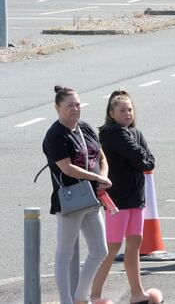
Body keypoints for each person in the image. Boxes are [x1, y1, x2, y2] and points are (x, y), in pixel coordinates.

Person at [43, 86, 110, 304]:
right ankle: (66, 300)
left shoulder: (85, 128)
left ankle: (81, 295)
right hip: (70, 198)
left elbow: (101, 157)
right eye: (69, 105)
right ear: (57, 108)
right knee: (64, 254)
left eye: (78, 104)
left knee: (100, 250)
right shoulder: (55, 135)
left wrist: (103, 177)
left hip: (91, 197)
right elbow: (67, 168)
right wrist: (97, 178)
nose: (75, 109)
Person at [91, 91, 156, 304]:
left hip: (136, 197)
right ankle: (94, 294)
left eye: (129, 109)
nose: (127, 113)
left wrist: (142, 159)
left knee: (135, 243)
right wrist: (142, 159)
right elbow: (139, 158)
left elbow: (150, 161)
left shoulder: (135, 133)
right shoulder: (112, 133)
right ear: (111, 113)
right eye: (122, 110)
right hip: (117, 200)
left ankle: (137, 292)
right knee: (112, 247)